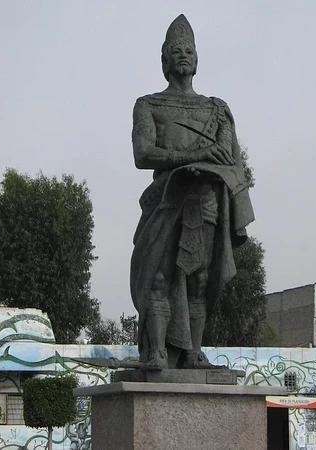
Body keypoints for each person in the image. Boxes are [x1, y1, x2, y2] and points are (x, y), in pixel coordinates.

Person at [130, 14, 254, 370]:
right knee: (158, 276)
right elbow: (143, 154)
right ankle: (157, 352)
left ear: (196, 60)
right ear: (164, 61)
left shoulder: (216, 109)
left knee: (200, 280)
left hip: (205, 202)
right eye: (175, 51)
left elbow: (229, 160)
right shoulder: (148, 105)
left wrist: (208, 165)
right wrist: (191, 159)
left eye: (188, 50)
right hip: (166, 201)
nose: (183, 55)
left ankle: (193, 352)